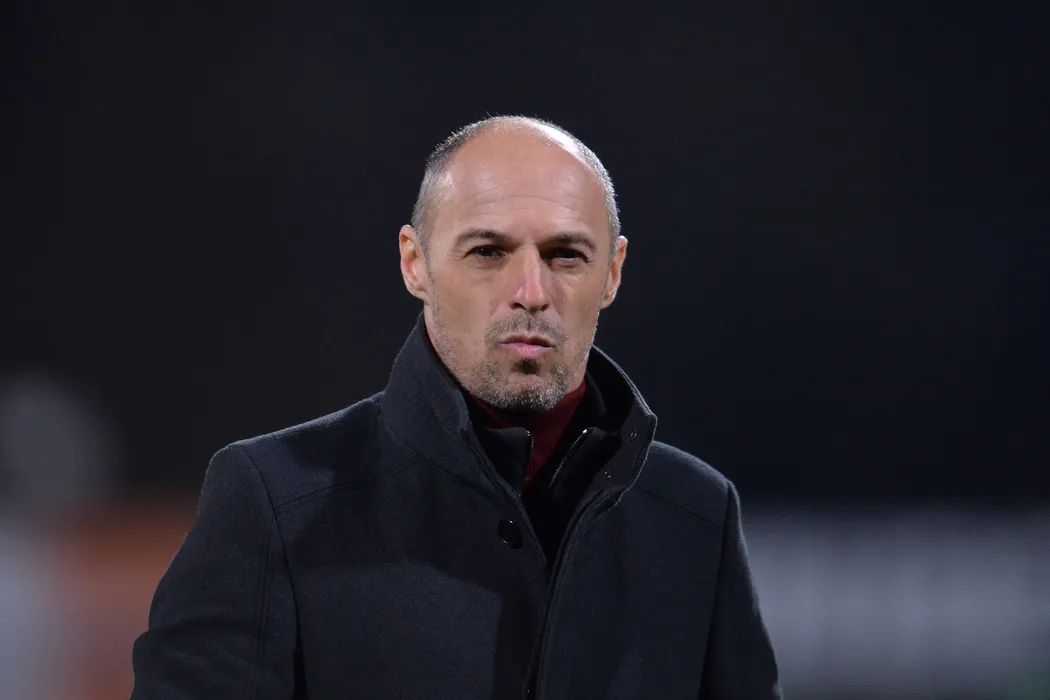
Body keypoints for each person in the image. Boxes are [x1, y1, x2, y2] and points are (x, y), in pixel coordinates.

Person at [130, 116, 782, 699]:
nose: (531, 291)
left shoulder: (696, 516)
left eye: (565, 255)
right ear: (415, 263)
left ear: (612, 273)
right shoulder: (274, 501)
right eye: (488, 252)